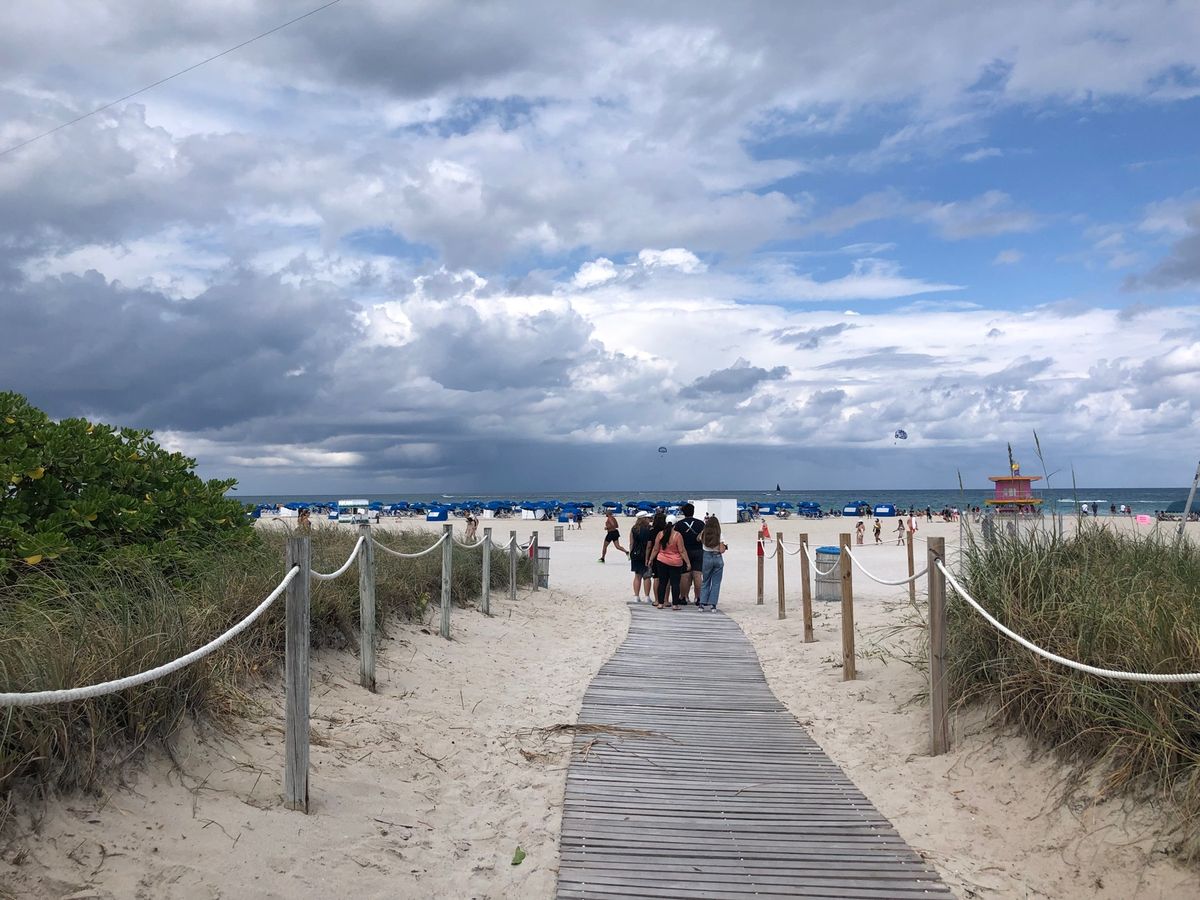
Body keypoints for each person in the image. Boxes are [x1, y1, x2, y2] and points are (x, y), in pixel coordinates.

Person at [649, 519, 690, 609]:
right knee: (675, 583)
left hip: (662, 560)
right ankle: (675, 604)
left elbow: (655, 549)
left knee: (662, 582)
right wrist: (688, 562)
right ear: (674, 525)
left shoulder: (660, 534)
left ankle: (660, 603)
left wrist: (651, 559)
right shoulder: (677, 535)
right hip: (675, 562)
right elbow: (682, 550)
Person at [673, 503, 705, 604]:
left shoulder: (679, 524)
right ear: (693, 511)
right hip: (698, 550)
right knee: (697, 575)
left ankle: (683, 597)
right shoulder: (701, 523)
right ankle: (698, 597)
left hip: (684, 551)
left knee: (684, 575)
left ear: (683, 512)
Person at [698, 516, 726, 610]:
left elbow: (698, 538)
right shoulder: (719, 534)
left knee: (705, 581)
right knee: (716, 583)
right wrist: (725, 547)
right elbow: (722, 550)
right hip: (717, 557)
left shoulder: (704, 533)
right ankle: (713, 604)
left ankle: (702, 603)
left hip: (707, 557)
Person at [628, 512, 655, 602]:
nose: (649, 519)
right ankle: (647, 596)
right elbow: (649, 545)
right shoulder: (650, 529)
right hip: (645, 554)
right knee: (647, 576)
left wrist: (631, 553)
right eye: (647, 518)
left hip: (635, 554)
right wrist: (648, 557)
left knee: (637, 576)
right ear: (644, 519)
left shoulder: (634, 528)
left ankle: (636, 596)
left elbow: (631, 543)